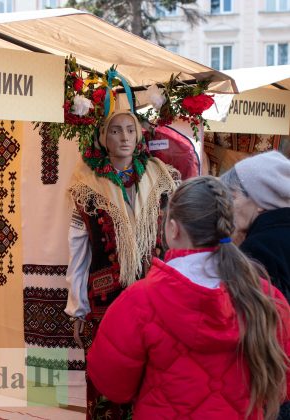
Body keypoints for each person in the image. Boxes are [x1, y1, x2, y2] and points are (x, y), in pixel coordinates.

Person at [87, 176, 290, 419]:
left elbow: (112, 384)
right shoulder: (267, 297)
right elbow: (281, 384)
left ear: (173, 228)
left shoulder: (139, 300)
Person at [64, 109, 178, 419]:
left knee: (153, 377)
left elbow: (173, 237)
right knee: (109, 378)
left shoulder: (160, 178)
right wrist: (78, 306)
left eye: (130, 129)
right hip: (107, 301)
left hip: (156, 296)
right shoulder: (86, 185)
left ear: (139, 135)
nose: (124, 137)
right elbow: (78, 248)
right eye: (115, 130)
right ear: (103, 138)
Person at [220, 151, 290, 301]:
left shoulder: (259, 248)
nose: (229, 206)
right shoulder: (277, 237)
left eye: (233, 197)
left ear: (260, 198)